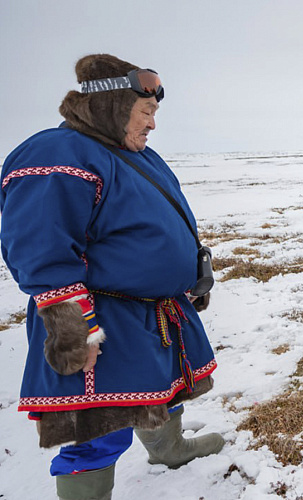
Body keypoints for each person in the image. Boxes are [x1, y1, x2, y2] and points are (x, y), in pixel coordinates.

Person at [0, 54, 224, 500]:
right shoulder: (56, 154)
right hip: (102, 318)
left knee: (161, 388)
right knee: (97, 430)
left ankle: (169, 448)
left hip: (153, 312)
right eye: (146, 113)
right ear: (113, 107)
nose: (153, 125)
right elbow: (41, 250)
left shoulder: (130, 152)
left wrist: (188, 275)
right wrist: (73, 330)